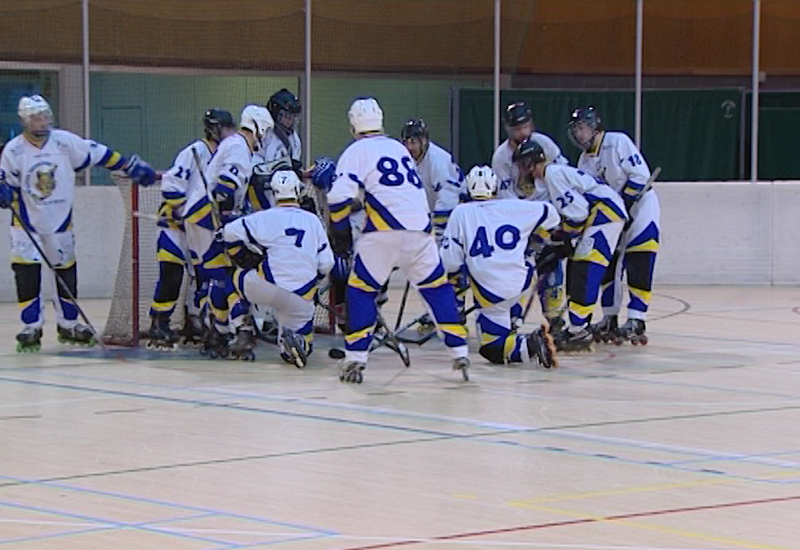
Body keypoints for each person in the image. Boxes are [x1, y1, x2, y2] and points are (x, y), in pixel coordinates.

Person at [327, 97, 469, 383]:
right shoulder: (398, 148)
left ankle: (356, 358)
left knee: (360, 291)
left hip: (383, 231)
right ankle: (459, 351)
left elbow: (337, 197)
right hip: (421, 229)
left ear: (354, 125)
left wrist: (340, 231)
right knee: (437, 288)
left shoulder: (357, 150)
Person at [0, 95, 155, 352]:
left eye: (45, 116)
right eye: (36, 118)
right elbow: (4, 180)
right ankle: (31, 326)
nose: (42, 122)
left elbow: (99, 153)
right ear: (25, 121)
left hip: (60, 222)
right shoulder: (14, 150)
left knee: (65, 272)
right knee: (27, 275)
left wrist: (128, 164)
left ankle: (68, 324)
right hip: (25, 224)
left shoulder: (64, 142)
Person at [440, 165, 560, 368]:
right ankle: (514, 324)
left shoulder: (460, 213)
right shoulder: (515, 206)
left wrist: (456, 302)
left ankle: (531, 343)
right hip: (521, 279)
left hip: (490, 292)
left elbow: (450, 262)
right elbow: (551, 214)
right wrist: (537, 241)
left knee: (491, 348)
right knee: (522, 268)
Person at [514, 138, 627, 352]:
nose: (521, 170)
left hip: (605, 214)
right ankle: (579, 325)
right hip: (602, 215)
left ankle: (579, 330)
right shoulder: (552, 176)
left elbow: (578, 213)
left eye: (522, 164)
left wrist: (562, 238)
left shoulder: (553, 175)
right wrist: (561, 238)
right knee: (579, 268)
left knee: (586, 269)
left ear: (530, 163)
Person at [182, 104, 273, 355]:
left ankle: (218, 331)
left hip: (201, 219)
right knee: (229, 276)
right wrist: (228, 223)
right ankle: (238, 329)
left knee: (217, 278)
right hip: (206, 219)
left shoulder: (234, 144)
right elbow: (225, 189)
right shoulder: (239, 147)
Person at [568, 107, 660, 344]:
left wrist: (625, 205)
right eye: (576, 129)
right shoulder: (583, 161)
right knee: (608, 264)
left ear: (594, 126)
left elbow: (640, 176)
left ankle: (637, 317)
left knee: (639, 259)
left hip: (640, 209)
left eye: (583, 128)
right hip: (614, 215)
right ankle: (609, 316)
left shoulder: (618, 141)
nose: (579, 134)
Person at [222, 170, 333, 365]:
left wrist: (242, 254)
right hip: (302, 298)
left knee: (234, 278)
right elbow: (327, 263)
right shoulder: (313, 221)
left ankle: (242, 329)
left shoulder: (264, 217)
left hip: (268, 289)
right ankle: (294, 342)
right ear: (298, 191)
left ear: (274, 193)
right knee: (297, 349)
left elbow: (230, 233)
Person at [146, 108, 233, 349]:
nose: (229, 133)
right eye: (225, 128)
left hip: (200, 228)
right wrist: (182, 208)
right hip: (174, 226)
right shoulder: (194, 152)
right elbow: (172, 183)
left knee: (203, 276)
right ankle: (159, 322)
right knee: (172, 274)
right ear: (213, 128)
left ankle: (195, 320)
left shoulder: (227, 155)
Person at [491, 101, 569, 331]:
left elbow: (561, 177)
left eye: (525, 126)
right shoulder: (501, 158)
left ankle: (555, 318)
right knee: (517, 269)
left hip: (548, 215)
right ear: (508, 129)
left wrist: (555, 221)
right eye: (517, 128)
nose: (522, 132)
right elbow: (505, 198)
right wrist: (527, 225)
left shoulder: (545, 145)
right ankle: (513, 317)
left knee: (552, 266)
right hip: (521, 222)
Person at [400, 118, 464, 238]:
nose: (409, 147)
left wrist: (438, 235)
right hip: (434, 215)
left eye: (413, 142)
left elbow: (447, 200)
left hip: (456, 216)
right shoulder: (408, 160)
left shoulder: (438, 161)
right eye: (406, 142)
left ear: (423, 141)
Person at [249, 88, 303, 211]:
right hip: (261, 193)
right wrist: (277, 167)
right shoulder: (264, 134)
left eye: (293, 116)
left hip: (285, 195)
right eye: (286, 115)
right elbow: (254, 168)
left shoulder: (294, 138)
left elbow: (295, 168)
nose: (290, 120)